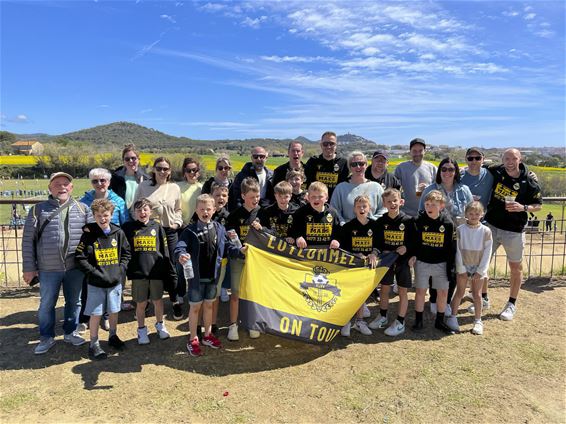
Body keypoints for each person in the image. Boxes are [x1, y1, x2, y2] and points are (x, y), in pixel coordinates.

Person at [22, 172, 92, 355]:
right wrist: (29, 267)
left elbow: (92, 239)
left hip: (75, 268)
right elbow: (28, 241)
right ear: (50, 188)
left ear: (71, 187)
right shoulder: (38, 210)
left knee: (74, 302)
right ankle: (46, 337)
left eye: (65, 184)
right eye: (57, 184)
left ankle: (70, 332)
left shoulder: (83, 209)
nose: (62, 187)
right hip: (48, 268)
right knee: (46, 304)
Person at [176, 194, 240, 356]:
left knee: (210, 305)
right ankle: (193, 338)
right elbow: (180, 247)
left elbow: (227, 248)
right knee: (195, 307)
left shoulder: (219, 228)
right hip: (196, 278)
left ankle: (207, 335)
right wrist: (181, 255)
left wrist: (239, 251)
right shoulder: (189, 231)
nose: (205, 212)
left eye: (208, 209)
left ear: (214, 210)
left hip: (213, 276)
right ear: (196, 210)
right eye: (202, 209)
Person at [484, 148, 542, 321]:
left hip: (514, 230)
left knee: (515, 268)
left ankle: (511, 303)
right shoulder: (497, 170)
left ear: (520, 159)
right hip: (492, 226)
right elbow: (478, 167)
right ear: (502, 159)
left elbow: (538, 205)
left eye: (513, 158)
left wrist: (523, 207)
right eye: (506, 158)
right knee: (482, 264)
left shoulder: (529, 181)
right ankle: (483, 298)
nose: (510, 161)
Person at [75, 199, 131, 360]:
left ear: (111, 215)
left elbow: (127, 253)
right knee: (96, 313)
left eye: (106, 215)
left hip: (114, 281)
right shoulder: (88, 234)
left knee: (114, 311)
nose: (102, 218)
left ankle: (113, 336)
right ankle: (94, 343)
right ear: (93, 215)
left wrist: (120, 270)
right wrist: (92, 272)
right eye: (98, 215)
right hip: (95, 282)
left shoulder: (118, 233)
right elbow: (79, 257)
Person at [133, 157, 183, 319]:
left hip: (169, 232)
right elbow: (136, 207)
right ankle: (146, 301)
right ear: (154, 169)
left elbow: (178, 209)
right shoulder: (143, 186)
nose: (162, 171)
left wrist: (177, 223)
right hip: (150, 232)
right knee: (150, 265)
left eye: (165, 169)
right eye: (159, 168)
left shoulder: (174, 188)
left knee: (171, 266)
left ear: (170, 171)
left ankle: (175, 300)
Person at [78, 167, 128, 331]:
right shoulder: (84, 201)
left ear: (109, 182)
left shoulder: (118, 201)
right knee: (90, 284)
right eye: (95, 181)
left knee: (111, 285)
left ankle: (107, 316)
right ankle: (87, 316)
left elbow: (124, 223)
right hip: (93, 248)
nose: (99, 184)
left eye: (102, 180)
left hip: (112, 248)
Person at [122, 198, 176, 345]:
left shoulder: (157, 227)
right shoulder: (128, 228)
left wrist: (167, 271)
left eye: (145, 209)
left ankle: (160, 325)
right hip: (139, 273)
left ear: (150, 211)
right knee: (141, 304)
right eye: (138, 210)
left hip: (156, 272)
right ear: (134, 213)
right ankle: (141, 330)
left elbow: (164, 251)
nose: (142, 213)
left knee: (158, 301)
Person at [409, 190, 455, 334]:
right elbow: (414, 241)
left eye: (434, 205)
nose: (430, 207)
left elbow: (451, 247)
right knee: (421, 291)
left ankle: (440, 321)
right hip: (422, 262)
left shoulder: (447, 223)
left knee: (442, 292)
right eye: (427, 204)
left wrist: (450, 267)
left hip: (441, 264)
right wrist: (413, 255)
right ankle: (419, 320)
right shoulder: (418, 220)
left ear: (442, 206)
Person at [370, 188, 415, 337]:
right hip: (387, 261)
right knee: (384, 289)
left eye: (395, 200)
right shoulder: (381, 222)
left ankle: (400, 322)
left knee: (402, 291)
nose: (392, 203)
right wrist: (374, 253)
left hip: (402, 262)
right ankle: (383, 316)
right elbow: (376, 243)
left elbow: (415, 242)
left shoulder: (408, 221)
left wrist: (408, 249)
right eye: (388, 201)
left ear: (401, 202)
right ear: (384, 203)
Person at [445, 201, 492, 335]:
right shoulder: (460, 230)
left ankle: (478, 320)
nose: (473, 216)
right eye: (471, 214)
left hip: (478, 267)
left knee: (477, 295)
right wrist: (461, 269)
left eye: (477, 214)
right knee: (459, 292)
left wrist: (481, 271)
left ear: (482, 214)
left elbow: (487, 253)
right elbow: (458, 251)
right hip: (463, 267)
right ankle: (453, 317)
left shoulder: (486, 231)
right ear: (466, 214)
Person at [225, 178, 263, 341]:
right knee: (235, 293)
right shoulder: (234, 216)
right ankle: (233, 325)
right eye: (251, 197)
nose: (255, 200)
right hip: (239, 260)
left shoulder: (262, 213)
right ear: (243, 196)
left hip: (256, 262)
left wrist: (263, 229)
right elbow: (229, 240)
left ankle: (252, 323)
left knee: (253, 293)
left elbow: (271, 235)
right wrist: (239, 250)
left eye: (257, 196)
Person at [337, 195, 377, 337]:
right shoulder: (348, 227)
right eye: (359, 206)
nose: (361, 209)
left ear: (369, 208)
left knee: (362, 295)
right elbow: (344, 247)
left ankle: (359, 321)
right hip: (352, 266)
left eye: (364, 206)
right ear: (354, 209)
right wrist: (355, 254)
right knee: (349, 295)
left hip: (367, 267)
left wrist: (373, 253)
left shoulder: (374, 226)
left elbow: (379, 245)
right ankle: (346, 321)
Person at [460, 147, 494, 310]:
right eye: (470, 158)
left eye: (477, 158)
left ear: (483, 158)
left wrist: (528, 172)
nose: (474, 161)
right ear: (466, 159)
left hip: (482, 224)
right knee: (464, 259)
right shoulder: (460, 175)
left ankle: (483, 297)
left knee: (482, 262)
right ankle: (468, 292)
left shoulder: (490, 175)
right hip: (463, 225)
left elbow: (512, 168)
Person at [330, 151, 385, 225]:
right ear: (350, 167)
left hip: (372, 230)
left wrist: (372, 222)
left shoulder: (377, 187)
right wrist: (344, 225)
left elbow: (384, 209)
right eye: (354, 164)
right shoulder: (341, 188)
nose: (358, 167)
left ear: (366, 165)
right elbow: (335, 210)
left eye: (361, 164)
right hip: (348, 231)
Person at [289, 181, 341, 249]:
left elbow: (339, 231)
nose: (316, 199)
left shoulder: (333, 212)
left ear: (327, 198)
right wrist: (298, 237)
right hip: (305, 251)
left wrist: (336, 240)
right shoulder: (301, 212)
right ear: (308, 198)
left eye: (320, 196)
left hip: (326, 252)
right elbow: (293, 228)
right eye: (313, 196)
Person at [394, 138, 437, 217]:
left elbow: (439, 190)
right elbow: (394, 190)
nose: (417, 153)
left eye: (420, 150)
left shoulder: (433, 168)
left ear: (425, 151)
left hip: (427, 214)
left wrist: (428, 189)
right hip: (406, 213)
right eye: (414, 151)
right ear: (410, 152)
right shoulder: (401, 168)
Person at [304, 131, 349, 199]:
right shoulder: (313, 161)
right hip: (316, 202)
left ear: (336, 145)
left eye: (332, 144)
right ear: (321, 145)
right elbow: (306, 181)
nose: (328, 146)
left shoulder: (344, 162)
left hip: (336, 203)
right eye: (325, 144)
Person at [109, 144, 150, 215]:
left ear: (138, 159)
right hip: (121, 215)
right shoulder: (115, 177)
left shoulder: (146, 178)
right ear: (123, 161)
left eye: (133, 158)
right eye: (127, 159)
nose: (130, 161)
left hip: (140, 216)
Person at [177, 157, 203, 227]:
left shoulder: (202, 188)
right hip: (181, 226)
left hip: (198, 227)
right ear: (184, 172)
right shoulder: (177, 187)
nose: (192, 172)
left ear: (198, 172)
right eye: (188, 170)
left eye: (194, 170)